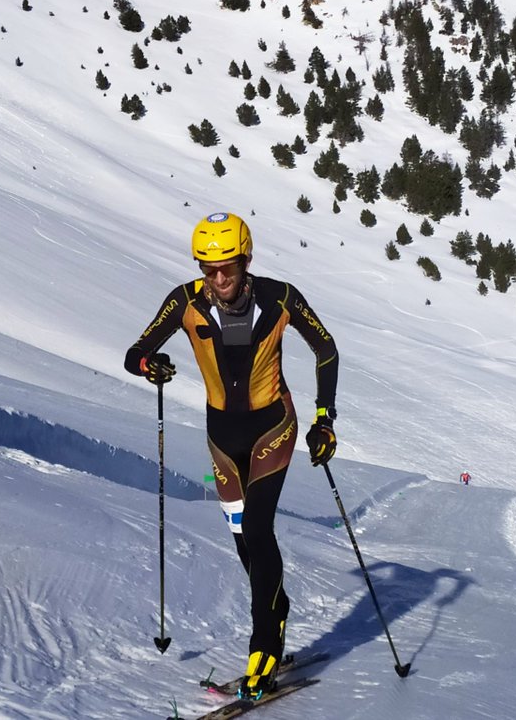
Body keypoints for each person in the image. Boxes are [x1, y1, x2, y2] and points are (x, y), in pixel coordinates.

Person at [124, 211, 339, 700]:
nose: (218, 278)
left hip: (273, 429)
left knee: (260, 530)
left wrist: (324, 418)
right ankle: (277, 607)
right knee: (246, 541)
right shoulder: (184, 301)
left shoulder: (280, 298)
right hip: (221, 441)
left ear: (246, 260)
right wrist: (148, 364)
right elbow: (136, 350)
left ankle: (263, 641)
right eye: (208, 268)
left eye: (228, 267)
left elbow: (326, 350)